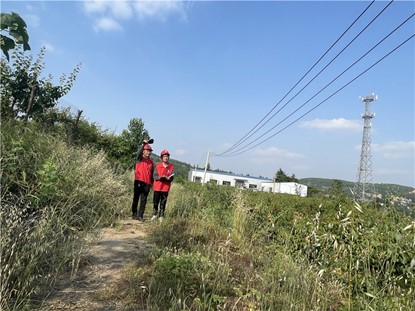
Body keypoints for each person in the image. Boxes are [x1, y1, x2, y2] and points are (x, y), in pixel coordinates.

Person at [131, 139, 154, 221]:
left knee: (143, 200)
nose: (148, 152)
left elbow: (151, 174)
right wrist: (144, 144)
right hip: (138, 181)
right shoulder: (139, 159)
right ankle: (134, 214)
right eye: (146, 151)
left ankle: (140, 215)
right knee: (136, 198)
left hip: (147, 183)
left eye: (149, 151)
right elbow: (139, 152)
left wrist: (152, 183)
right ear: (143, 151)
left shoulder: (151, 162)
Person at [152, 150, 175, 221]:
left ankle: (161, 215)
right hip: (157, 187)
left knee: (163, 202)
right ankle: (154, 214)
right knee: (156, 202)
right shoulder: (158, 166)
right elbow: (154, 176)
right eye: (164, 156)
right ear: (161, 158)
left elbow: (172, 177)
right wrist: (160, 177)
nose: (166, 158)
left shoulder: (171, 167)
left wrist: (169, 178)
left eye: (167, 156)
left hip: (165, 188)